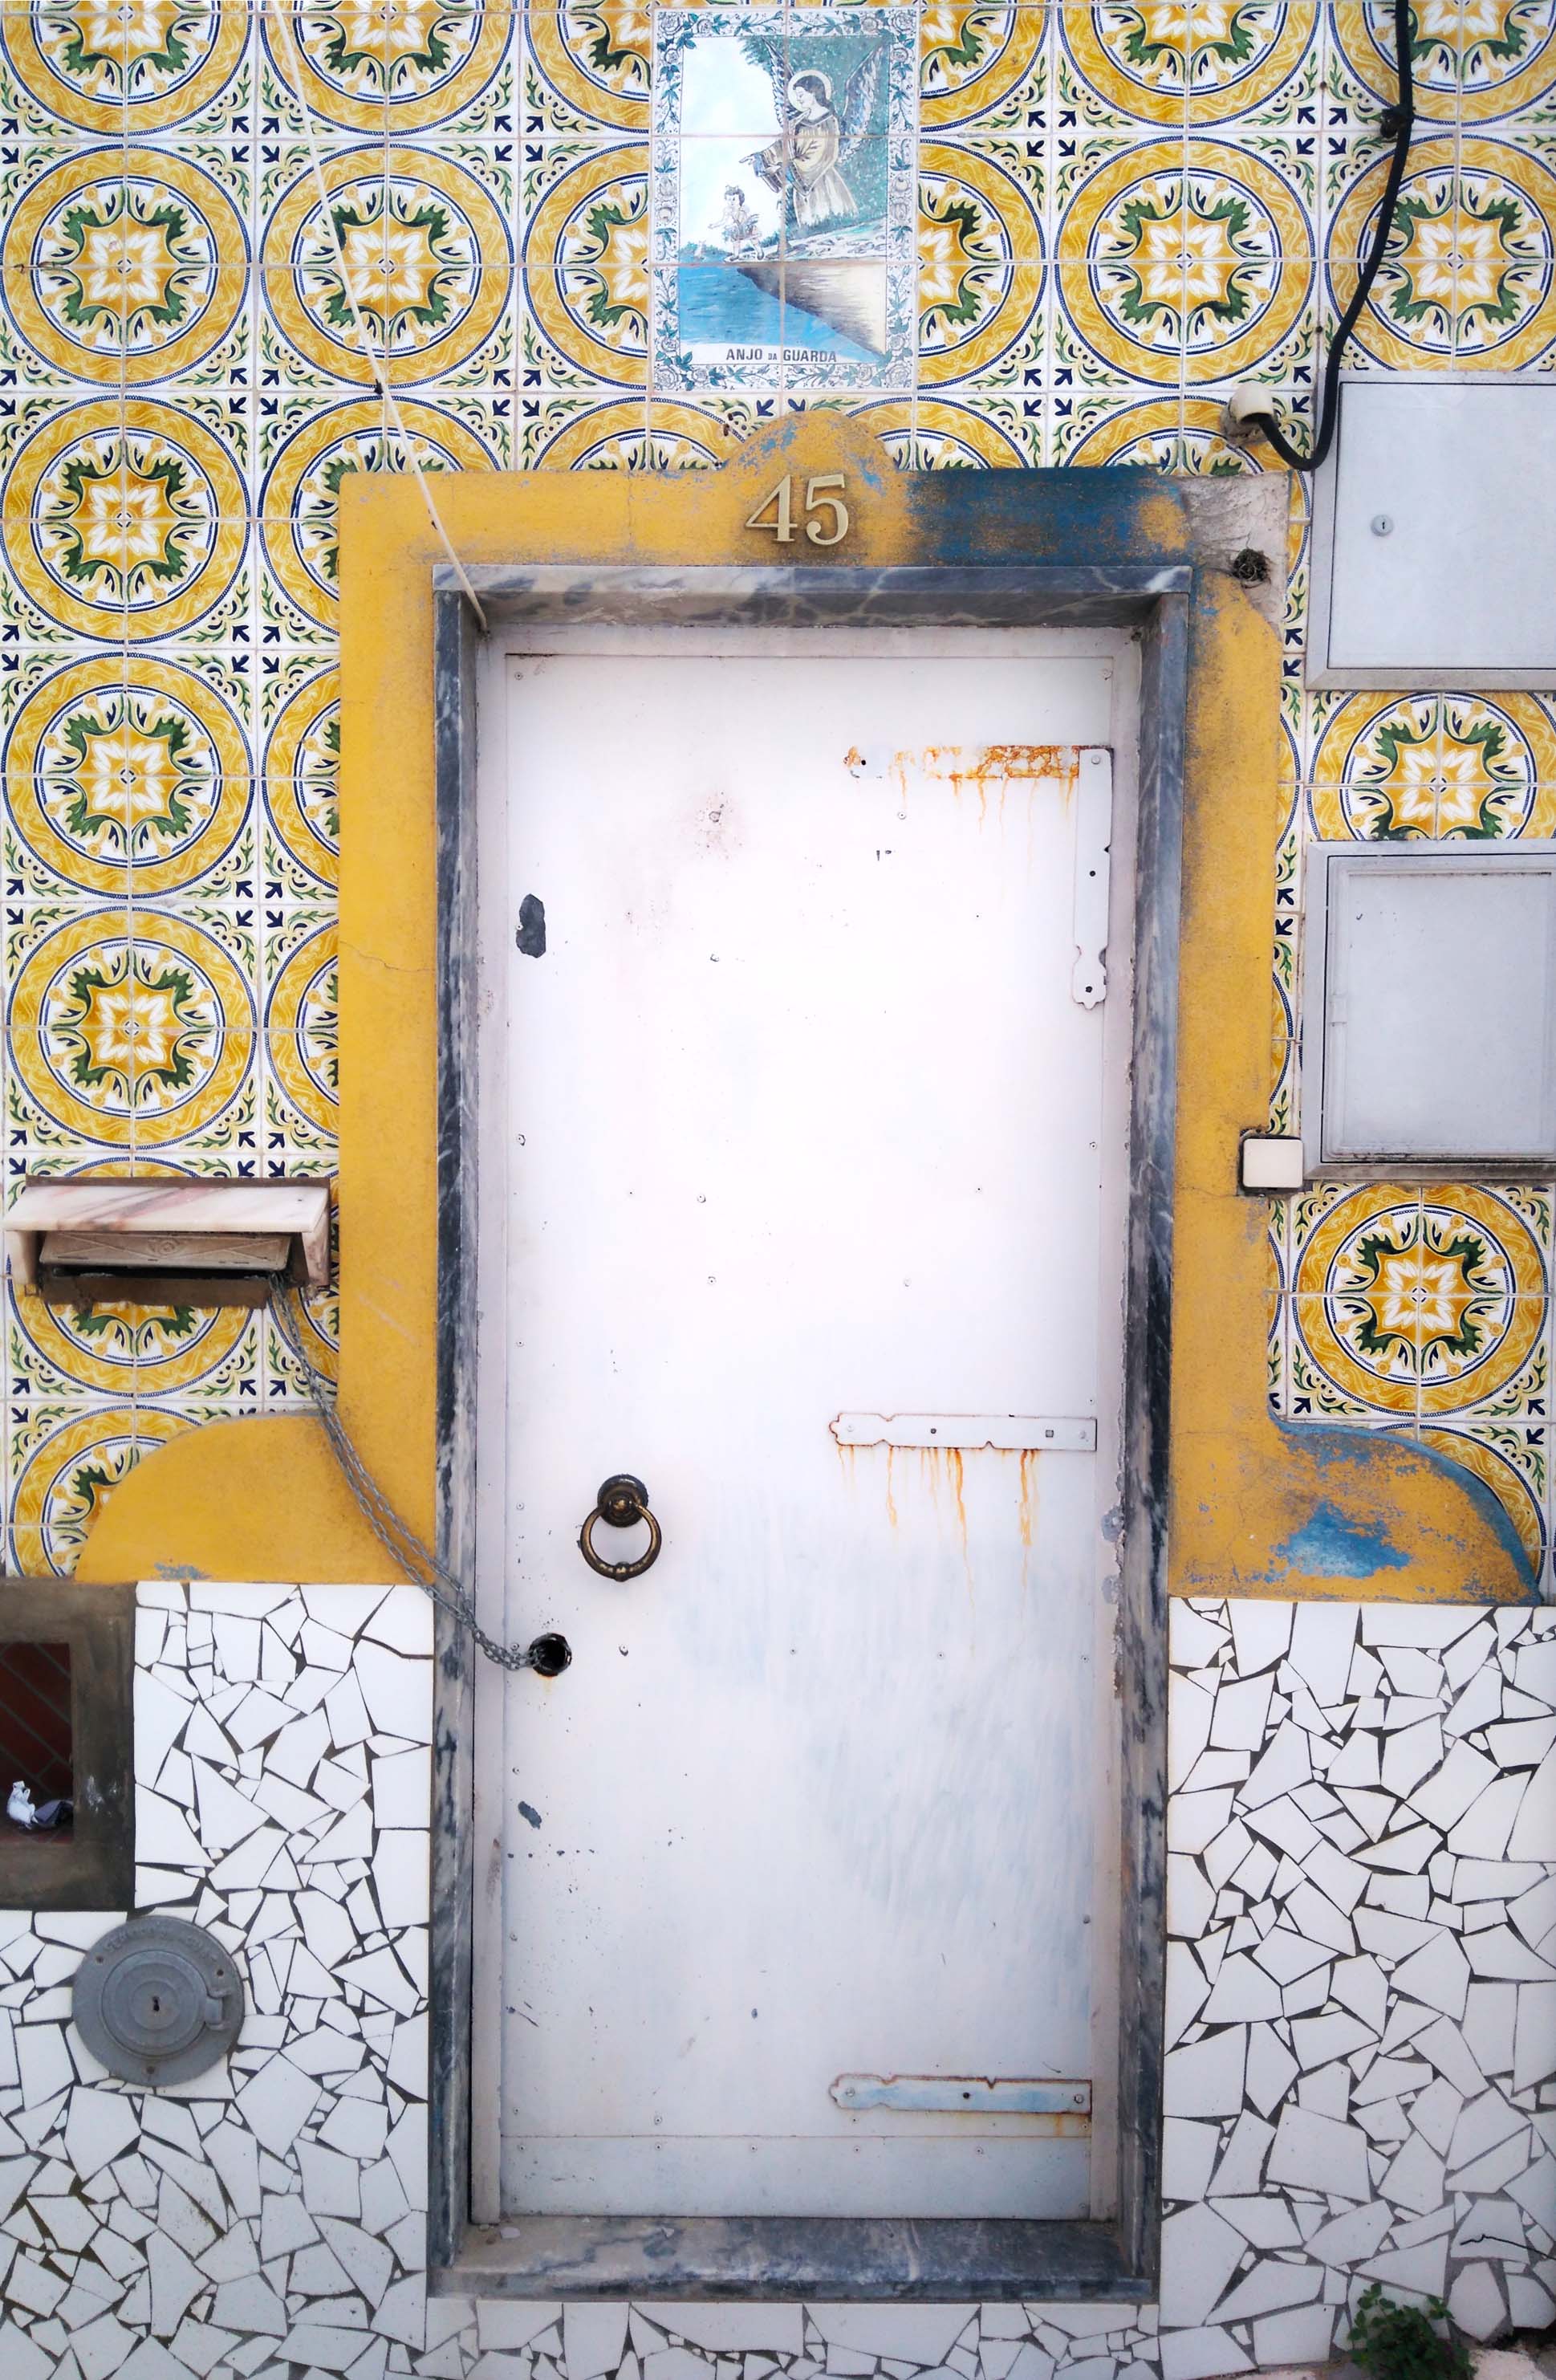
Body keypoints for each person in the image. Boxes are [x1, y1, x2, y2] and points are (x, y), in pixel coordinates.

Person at [749, 71, 855, 230]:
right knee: (809, 230)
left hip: (821, 180)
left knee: (828, 224)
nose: (798, 99)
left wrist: (786, 168)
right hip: (801, 184)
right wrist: (762, 158)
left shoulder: (828, 121)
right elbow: (786, 145)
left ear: (813, 93)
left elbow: (823, 155)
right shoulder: (798, 122)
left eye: (801, 94)